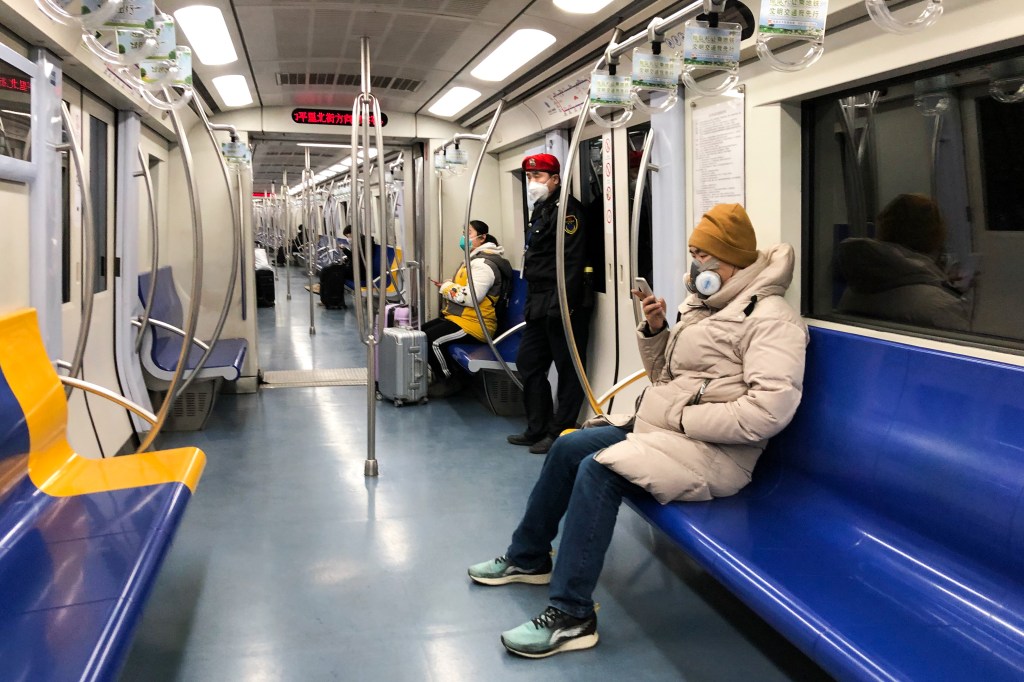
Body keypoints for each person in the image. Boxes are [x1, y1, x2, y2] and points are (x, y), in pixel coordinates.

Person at [469, 203, 808, 659]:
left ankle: (572, 617)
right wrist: (656, 330)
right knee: (570, 447)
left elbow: (768, 411)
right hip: (667, 433)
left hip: (719, 453)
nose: (697, 265)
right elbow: (666, 378)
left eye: (706, 255)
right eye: (693, 253)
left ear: (735, 261)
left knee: (599, 470)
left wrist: (685, 419)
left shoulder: (771, 319)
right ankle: (528, 556)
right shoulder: (705, 305)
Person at [508, 153, 592, 455]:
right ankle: (537, 427)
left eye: (539, 177)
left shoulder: (569, 213)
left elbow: (571, 261)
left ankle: (560, 433)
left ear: (555, 179)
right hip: (540, 299)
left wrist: (563, 307)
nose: (533, 183)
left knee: (569, 370)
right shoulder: (542, 210)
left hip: (563, 301)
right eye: (530, 178)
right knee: (528, 362)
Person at [836, 193, 972, 331]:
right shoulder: (942, 307)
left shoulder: (854, 292)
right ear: (935, 238)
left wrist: (939, 284)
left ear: (883, 229)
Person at [423, 220, 512, 398]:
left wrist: (447, 287)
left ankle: (451, 380)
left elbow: (470, 298)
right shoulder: (473, 261)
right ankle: (443, 375)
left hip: (477, 324)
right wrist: (451, 286)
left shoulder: (483, 265)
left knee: (434, 341)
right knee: (423, 332)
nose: (464, 237)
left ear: (482, 237)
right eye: (463, 232)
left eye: (469, 233)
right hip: (462, 318)